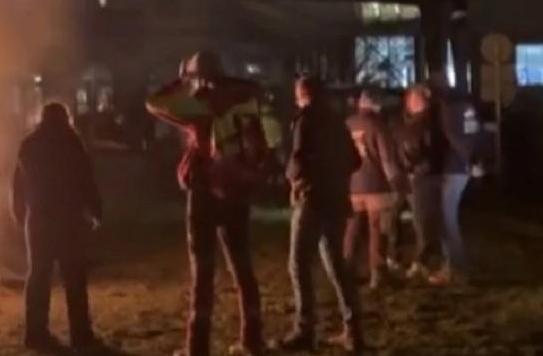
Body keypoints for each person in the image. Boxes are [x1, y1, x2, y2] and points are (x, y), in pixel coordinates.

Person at [147, 51, 268, 356]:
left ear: (196, 75)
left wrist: (180, 79)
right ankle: (253, 340)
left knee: (203, 271)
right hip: (237, 191)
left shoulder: (199, 106)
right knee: (243, 268)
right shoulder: (245, 101)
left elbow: (154, 103)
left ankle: (197, 346)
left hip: (204, 192)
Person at [11, 101, 104, 355]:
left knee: (39, 276)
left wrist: (20, 216)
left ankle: (35, 333)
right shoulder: (71, 143)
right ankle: (81, 334)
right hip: (67, 217)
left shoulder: (28, 145)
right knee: (74, 277)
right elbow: (85, 179)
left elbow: (18, 187)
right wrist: (95, 210)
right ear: (65, 119)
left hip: (38, 218)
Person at [281, 76, 363, 353]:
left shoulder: (306, 120)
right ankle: (354, 330)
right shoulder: (336, 122)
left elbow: (298, 161)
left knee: (298, 263)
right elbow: (355, 160)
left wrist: (294, 177)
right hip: (336, 201)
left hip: (312, 200)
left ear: (303, 93)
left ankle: (305, 329)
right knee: (335, 264)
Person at [397, 83, 470, 284]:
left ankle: (456, 269)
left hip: (451, 171)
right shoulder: (441, 112)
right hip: (447, 171)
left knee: (447, 220)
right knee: (443, 220)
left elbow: (451, 140)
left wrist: (470, 160)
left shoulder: (440, 114)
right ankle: (450, 266)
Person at [344, 89, 405, 290]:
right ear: (376, 105)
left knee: (352, 230)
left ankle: (346, 270)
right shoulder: (379, 125)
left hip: (353, 185)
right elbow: (387, 158)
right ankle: (378, 274)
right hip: (377, 186)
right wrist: (396, 182)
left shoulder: (347, 124)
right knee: (378, 230)